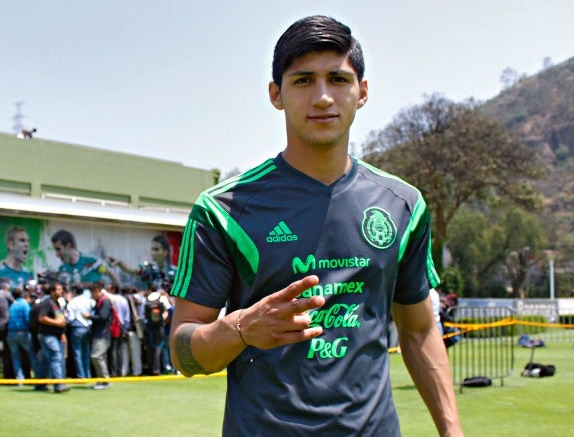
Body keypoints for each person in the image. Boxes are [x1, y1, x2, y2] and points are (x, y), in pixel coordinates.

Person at [168, 15, 462, 436]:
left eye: (338, 80)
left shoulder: (402, 204)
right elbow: (184, 355)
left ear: (362, 92)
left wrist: (452, 431)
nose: (323, 97)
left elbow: (417, 331)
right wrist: (242, 329)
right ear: (276, 94)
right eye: (303, 80)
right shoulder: (223, 210)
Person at [36, 281, 70, 393]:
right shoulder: (47, 302)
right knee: (55, 356)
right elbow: (41, 318)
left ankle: (40, 384)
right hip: (47, 335)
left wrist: (62, 333)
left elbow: (59, 318)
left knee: (45, 360)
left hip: (55, 335)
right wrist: (56, 323)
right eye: (58, 289)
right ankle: (59, 384)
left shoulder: (57, 303)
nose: (61, 291)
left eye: (61, 289)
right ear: (52, 291)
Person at [51, 229, 119, 285]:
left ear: (68, 246)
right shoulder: (63, 269)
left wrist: (117, 293)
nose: (56, 254)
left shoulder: (92, 261)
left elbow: (110, 273)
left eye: (58, 249)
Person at [7, 288, 36, 384]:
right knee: (32, 355)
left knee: (15, 358)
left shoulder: (12, 306)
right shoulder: (25, 305)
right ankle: (38, 377)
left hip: (11, 333)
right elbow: (28, 319)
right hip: (23, 332)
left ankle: (20, 380)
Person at [65, 283, 93, 379]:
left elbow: (70, 317)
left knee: (78, 353)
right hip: (87, 327)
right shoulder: (88, 300)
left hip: (76, 327)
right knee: (86, 353)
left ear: (74, 291)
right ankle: (88, 374)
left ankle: (81, 376)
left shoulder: (73, 302)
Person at [89, 282, 112, 389]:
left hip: (103, 334)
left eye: (92, 293)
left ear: (97, 291)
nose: (91, 295)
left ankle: (105, 381)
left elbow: (103, 317)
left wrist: (89, 316)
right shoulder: (100, 301)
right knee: (101, 357)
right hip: (99, 333)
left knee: (96, 356)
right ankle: (101, 380)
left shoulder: (105, 301)